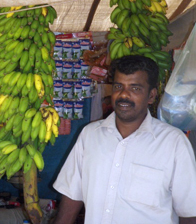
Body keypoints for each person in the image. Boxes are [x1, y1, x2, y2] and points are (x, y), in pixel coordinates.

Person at [52, 55, 196, 224]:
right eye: (118, 86)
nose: (124, 95)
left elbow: (189, 212)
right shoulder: (90, 135)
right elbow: (71, 194)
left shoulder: (173, 143)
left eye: (135, 88)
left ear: (151, 96)